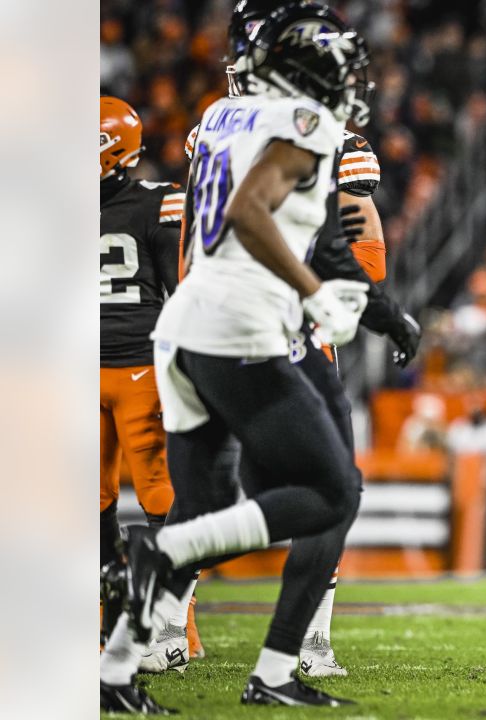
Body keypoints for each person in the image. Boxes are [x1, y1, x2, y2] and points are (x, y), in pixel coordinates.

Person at [135, 0, 423, 679]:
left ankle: (151, 639)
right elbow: (356, 248)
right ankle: (298, 647)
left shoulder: (215, 122)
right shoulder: (306, 127)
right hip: (269, 329)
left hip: (198, 323)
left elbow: (193, 244)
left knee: (204, 494)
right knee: (329, 489)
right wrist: (342, 301)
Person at [98, 96, 203, 656]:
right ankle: (104, 620)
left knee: (161, 496)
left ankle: (172, 623)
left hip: (140, 366)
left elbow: (181, 287)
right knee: (91, 502)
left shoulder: (158, 203)